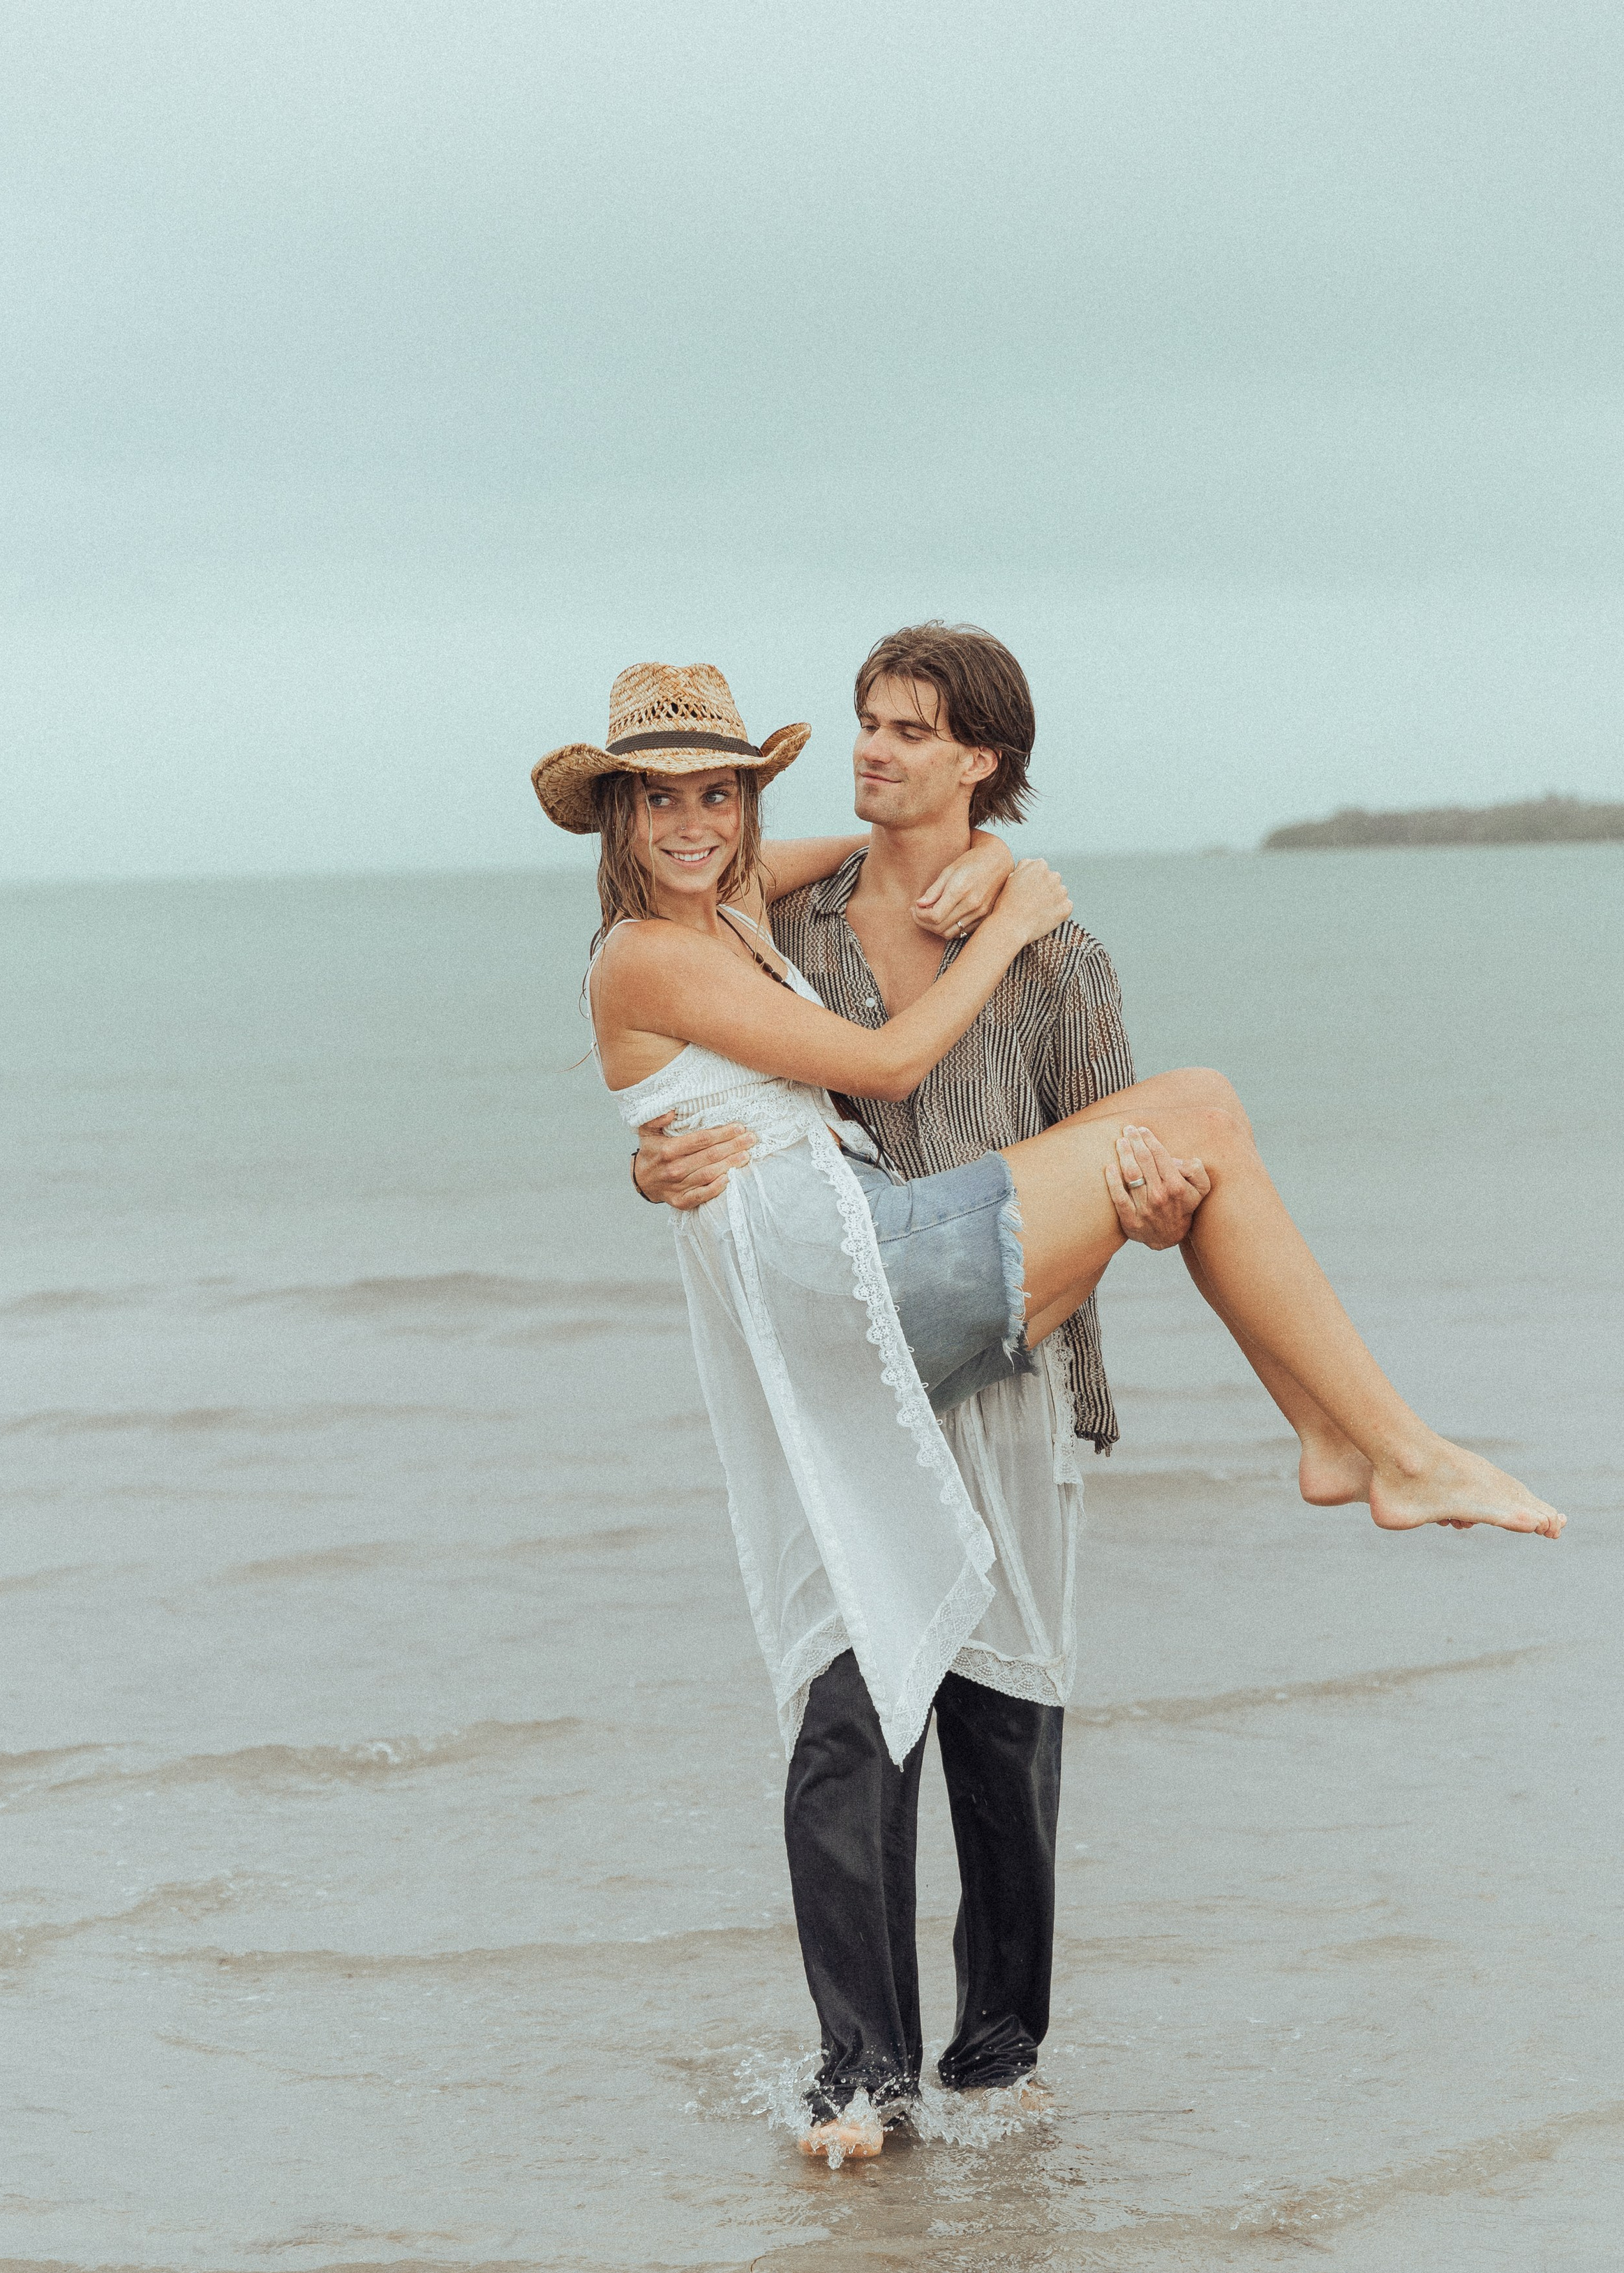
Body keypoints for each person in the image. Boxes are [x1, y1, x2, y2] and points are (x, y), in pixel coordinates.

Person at [532, 657, 1565, 2162]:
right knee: (1203, 1104)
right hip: (859, 1281)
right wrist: (1005, 912)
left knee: (994, 1683)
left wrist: (1005, 881)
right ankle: (1370, 1444)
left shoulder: (750, 899)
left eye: (717, 791)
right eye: (656, 797)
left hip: (904, 1290)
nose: (691, 822)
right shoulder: (653, 949)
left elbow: (860, 882)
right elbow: (881, 1062)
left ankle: (960, 2070)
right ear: (611, 814)